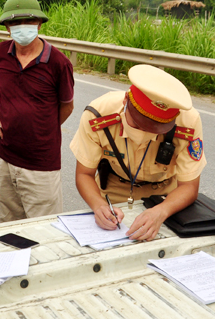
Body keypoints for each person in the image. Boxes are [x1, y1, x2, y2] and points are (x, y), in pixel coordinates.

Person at [70, 64, 206, 241]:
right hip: (113, 193)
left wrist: (161, 211)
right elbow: (84, 174)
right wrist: (99, 206)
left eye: (156, 129)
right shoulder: (98, 114)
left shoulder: (188, 121)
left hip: (164, 197)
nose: (143, 135)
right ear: (126, 100)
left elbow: (189, 186)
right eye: (137, 124)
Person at [0, 0, 75, 222]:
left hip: (41, 165)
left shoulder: (59, 63)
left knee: (44, 232)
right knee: (9, 228)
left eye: (28, 22)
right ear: (7, 28)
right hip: (4, 157)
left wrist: (41, 127)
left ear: (39, 24)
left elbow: (67, 106)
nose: (22, 28)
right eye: (15, 23)